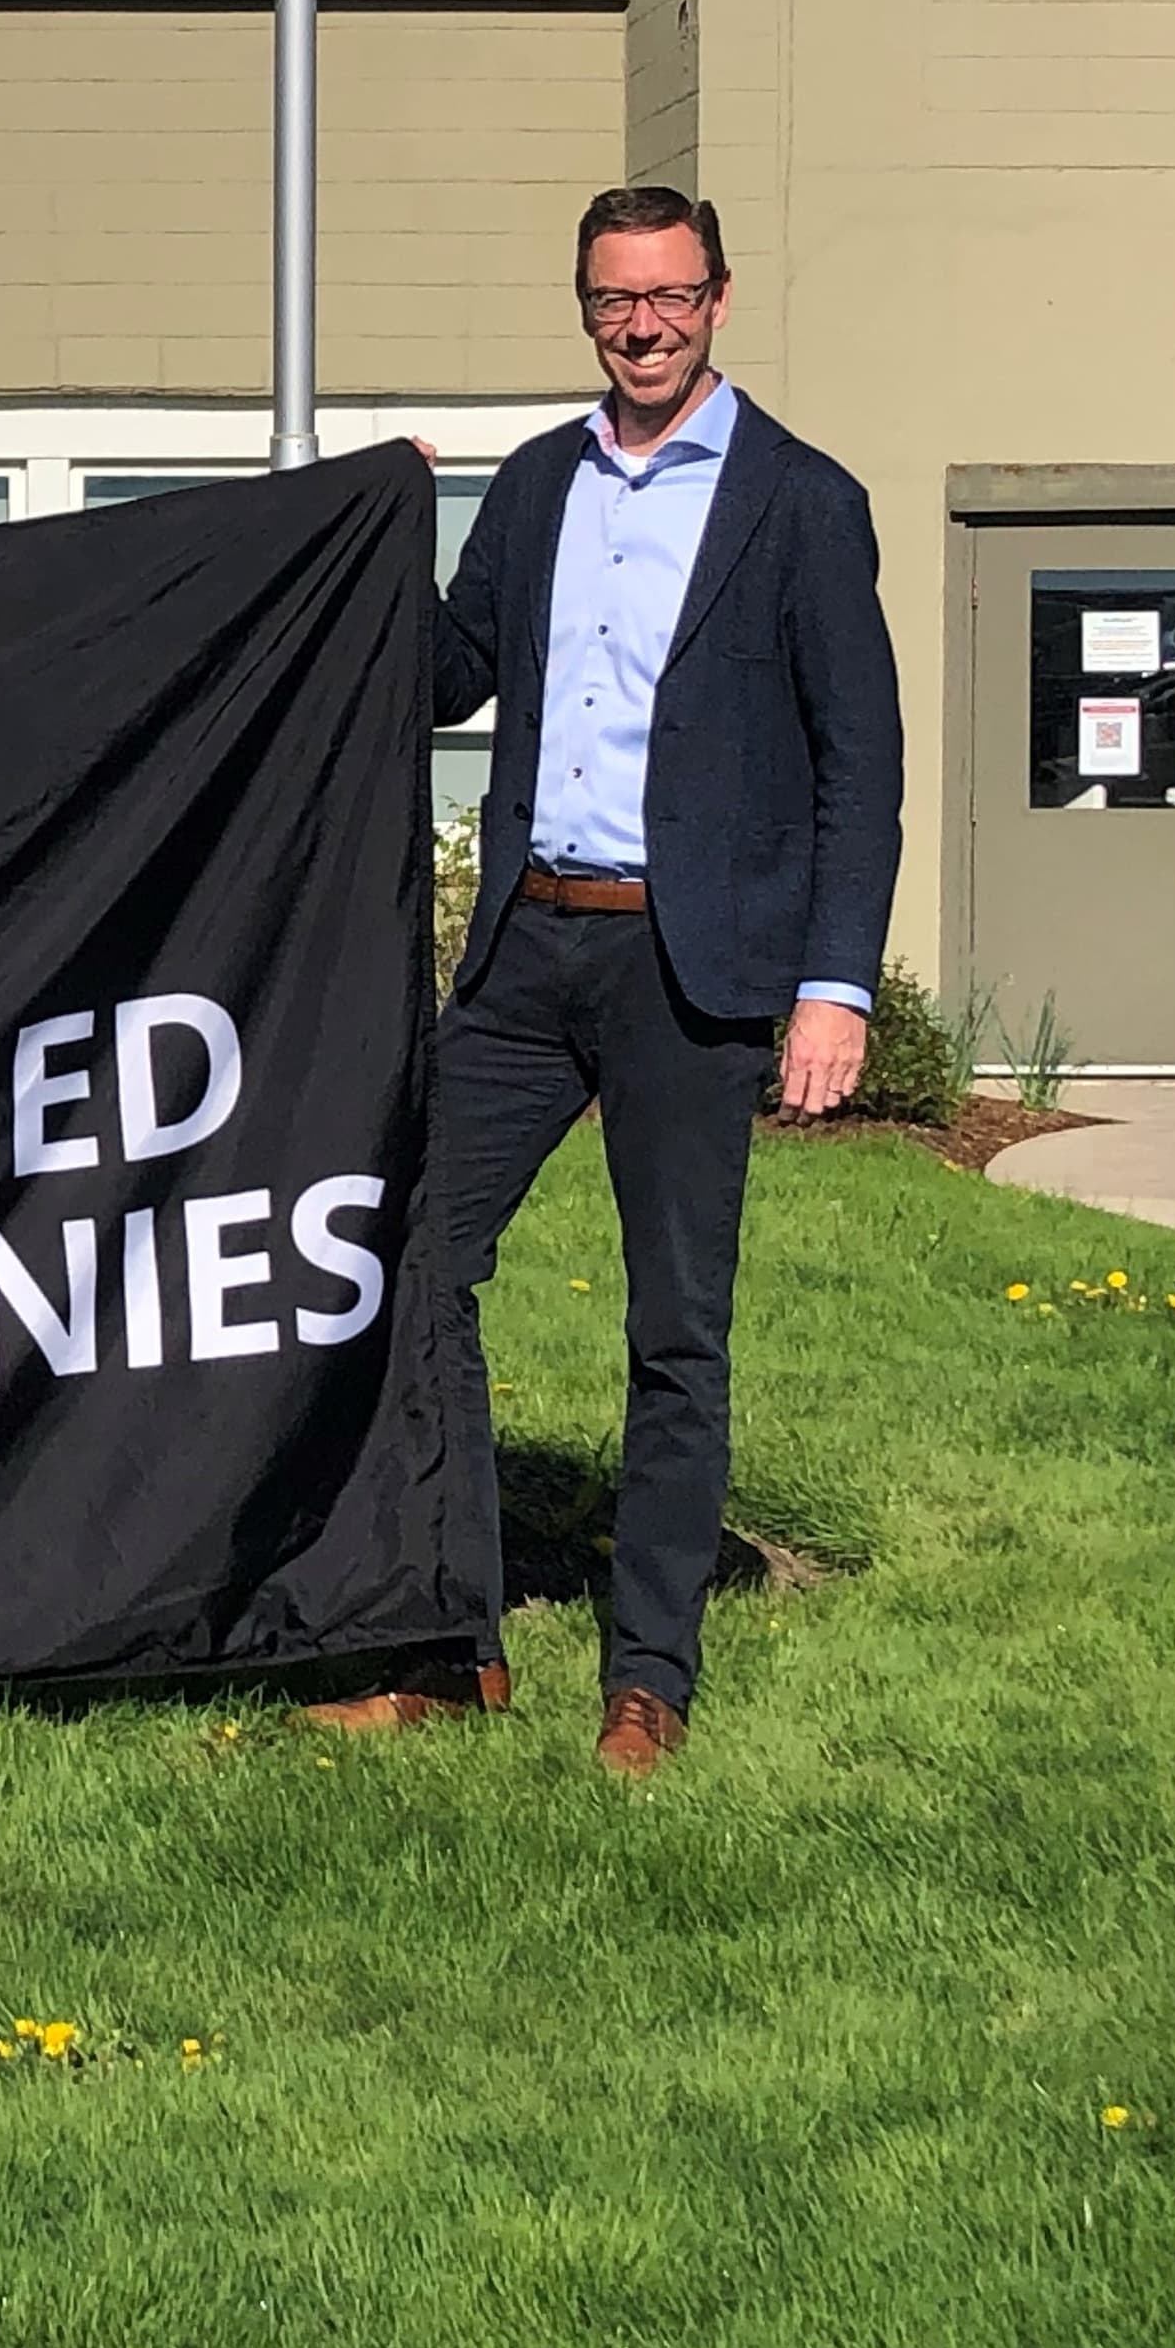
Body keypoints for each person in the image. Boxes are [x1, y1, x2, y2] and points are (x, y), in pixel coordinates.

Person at [321, 187, 904, 1775]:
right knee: (411, 1269)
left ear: (718, 300)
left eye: (666, 297)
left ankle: (647, 1672)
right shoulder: (535, 487)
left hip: (688, 967)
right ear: (584, 307)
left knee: (674, 1332)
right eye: (609, 301)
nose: (638, 326)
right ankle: (452, 1638)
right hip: (526, 948)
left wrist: (833, 984)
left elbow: (864, 762)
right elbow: (449, 675)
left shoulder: (799, 500)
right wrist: (373, 540)